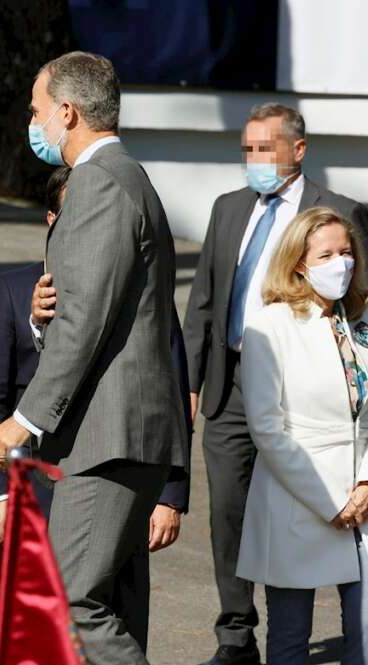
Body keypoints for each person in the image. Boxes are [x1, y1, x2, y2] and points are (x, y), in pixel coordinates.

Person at [0, 51, 187, 664]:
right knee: (105, 601)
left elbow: (87, 321)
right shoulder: (127, 176)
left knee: (72, 602)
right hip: (118, 435)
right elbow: (98, 308)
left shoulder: (100, 181)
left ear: (68, 113)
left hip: (109, 435)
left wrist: (27, 417)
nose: (34, 123)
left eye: (37, 112)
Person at [182, 103, 368, 665]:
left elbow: (356, 299)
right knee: (230, 517)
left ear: (298, 150)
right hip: (231, 383)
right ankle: (236, 635)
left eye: (265, 148)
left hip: (314, 388)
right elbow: (204, 305)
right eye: (247, 150)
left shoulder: (338, 213)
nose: (254, 160)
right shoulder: (229, 208)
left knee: (304, 512)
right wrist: (188, 385)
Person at [0, 166, 188, 550]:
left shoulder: (145, 296)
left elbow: (170, 396)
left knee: (110, 605)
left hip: (122, 487)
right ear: (52, 220)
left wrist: (169, 493)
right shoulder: (13, 291)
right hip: (34, 489)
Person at [236, 207, 368, 664]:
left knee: (365, 639)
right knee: (291, 641)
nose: (341, 264)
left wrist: (365, 484)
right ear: (298, 263)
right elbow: (268, 430)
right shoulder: (269, 326)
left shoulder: (360, 323)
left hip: (363, 501)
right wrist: (332, 501)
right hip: (298, 498)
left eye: (347, 252)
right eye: (327, 254)